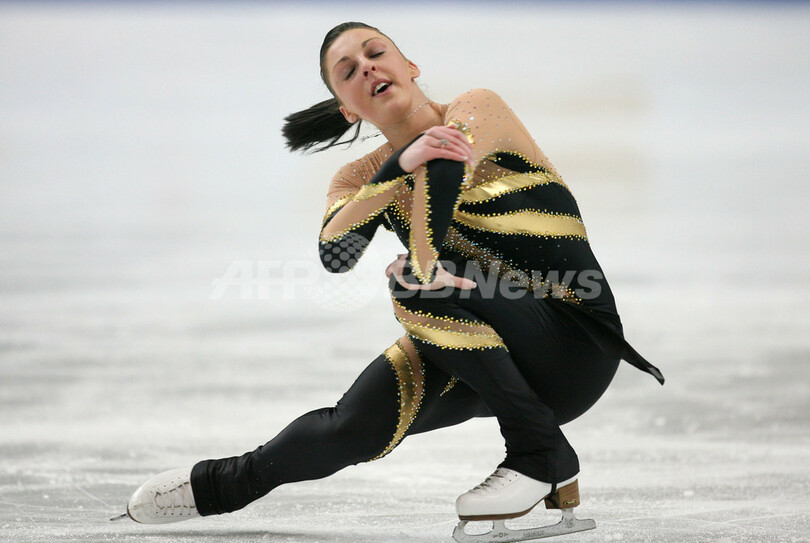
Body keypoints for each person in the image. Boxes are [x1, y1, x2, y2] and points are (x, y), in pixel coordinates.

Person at [121, 21, 663, 540]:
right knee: (348, 426)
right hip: (480, 337)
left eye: (375, 53)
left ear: (409, 65)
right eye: (348, 71)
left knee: (414, 283)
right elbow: (337, 253)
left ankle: (537, 452)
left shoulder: (479, 106)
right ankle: (222, 484)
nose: (367, 68)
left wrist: (421, 258)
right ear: (347, 108)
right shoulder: (356, 176)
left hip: (572, 338)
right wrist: (397, 165)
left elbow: (447, 160)